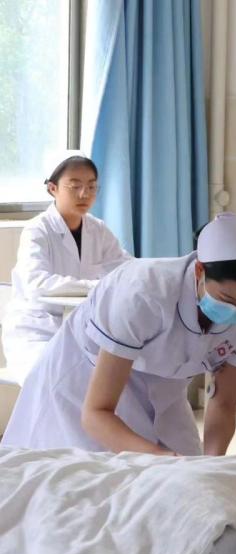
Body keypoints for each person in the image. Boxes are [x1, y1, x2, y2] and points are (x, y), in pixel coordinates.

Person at [1, 213, 236, 457]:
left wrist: (213, 465)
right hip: (84, 384)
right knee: (99, 484)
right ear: (200, 270)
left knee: (188, 474)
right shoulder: (145, 291)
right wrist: (159, 459)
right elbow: (97, 413)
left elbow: (224, 402)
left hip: (165, 389)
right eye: (226, 299)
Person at [1, 152, 130, 384]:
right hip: (37, 331)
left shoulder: (98, 230)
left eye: (91, 186)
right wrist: (96, 286)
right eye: (75, 186)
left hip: (84, 331)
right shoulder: (37, 230)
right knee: (55, 380)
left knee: (120, 377)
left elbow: (127, 271)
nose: (84, 194)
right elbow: (37, 284)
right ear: (53, 188)